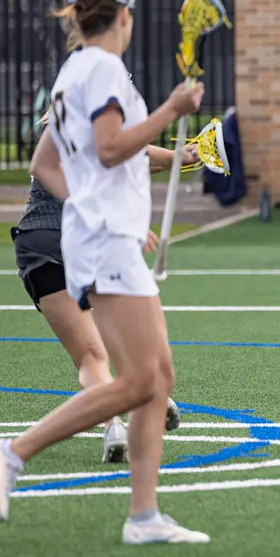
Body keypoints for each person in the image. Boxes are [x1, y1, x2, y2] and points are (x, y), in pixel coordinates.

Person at [0, 0, 208, 543]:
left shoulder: (73, 72)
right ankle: (14, 454)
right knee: (140, 380)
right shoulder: (105, 70)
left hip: (103, 235)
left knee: (157, 376)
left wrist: (104, 210)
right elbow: (113, 148)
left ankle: (144, 516)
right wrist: (171, 110)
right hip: (104, 242)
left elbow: (52, 163)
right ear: (124, 17)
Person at [15, 111, 187, 464]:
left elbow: (130, 157)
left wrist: (181, 157)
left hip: (42, 239)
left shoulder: (78, 104)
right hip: (82, 237)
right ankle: (136, 393)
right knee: (112, 343)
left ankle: (115, 424)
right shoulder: (90, 99)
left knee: (93, 354)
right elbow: (107, 156)